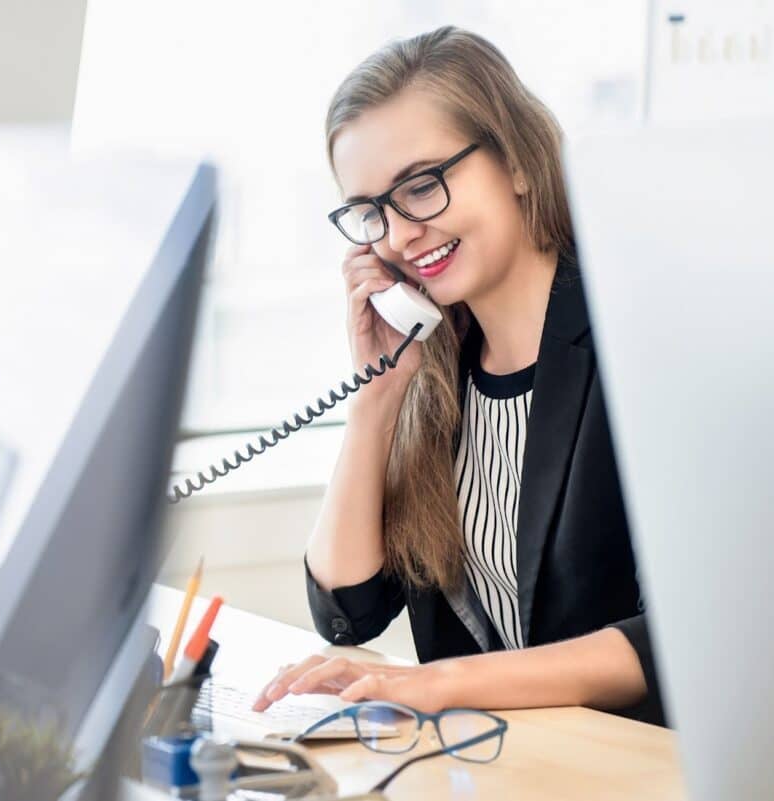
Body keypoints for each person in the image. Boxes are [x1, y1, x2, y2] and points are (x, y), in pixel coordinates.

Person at [252, 26, 664, 726]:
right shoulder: (439, 371)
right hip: (501, 770)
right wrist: (375, 401)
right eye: (370, 211)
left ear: (518, 163)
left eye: (421, 185)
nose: (398, 234)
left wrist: (443, 682)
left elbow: (672, 641)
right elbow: (347, 610)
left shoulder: (643, 338)